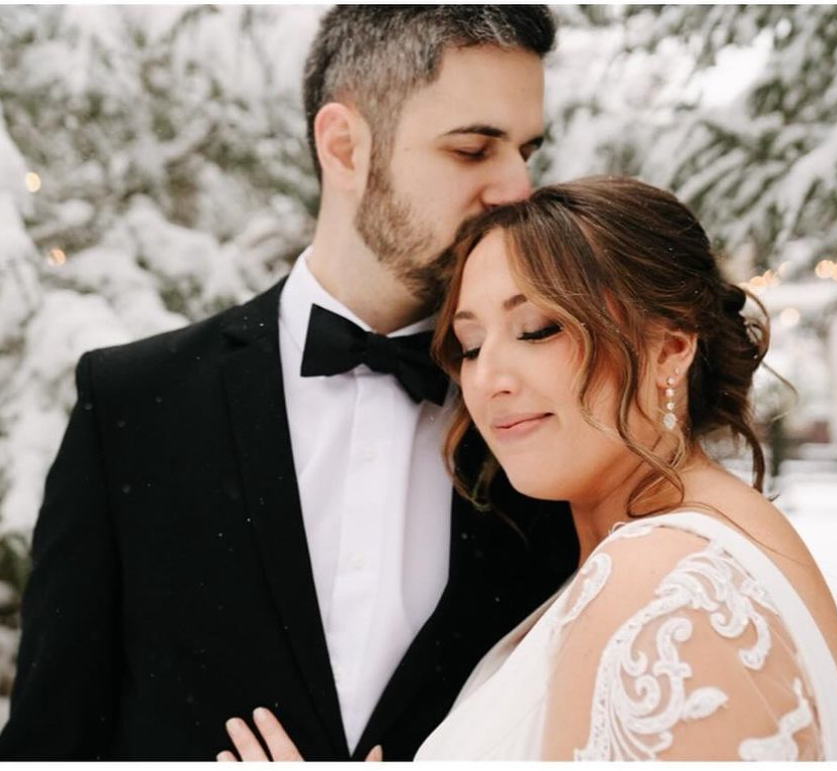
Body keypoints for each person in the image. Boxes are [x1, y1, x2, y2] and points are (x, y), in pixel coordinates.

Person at [0, 6, 577, 761]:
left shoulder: (556, 413)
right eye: (474, 149)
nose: (517, 188)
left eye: (527, 150)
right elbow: (51, 743)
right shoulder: (134, 406)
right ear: (344, 146)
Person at [221, 176, 837, 761]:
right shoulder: (675, 550)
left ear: (670, 347)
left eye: (538, 329)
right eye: (470, 345)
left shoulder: (667, 587)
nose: (487, 380)